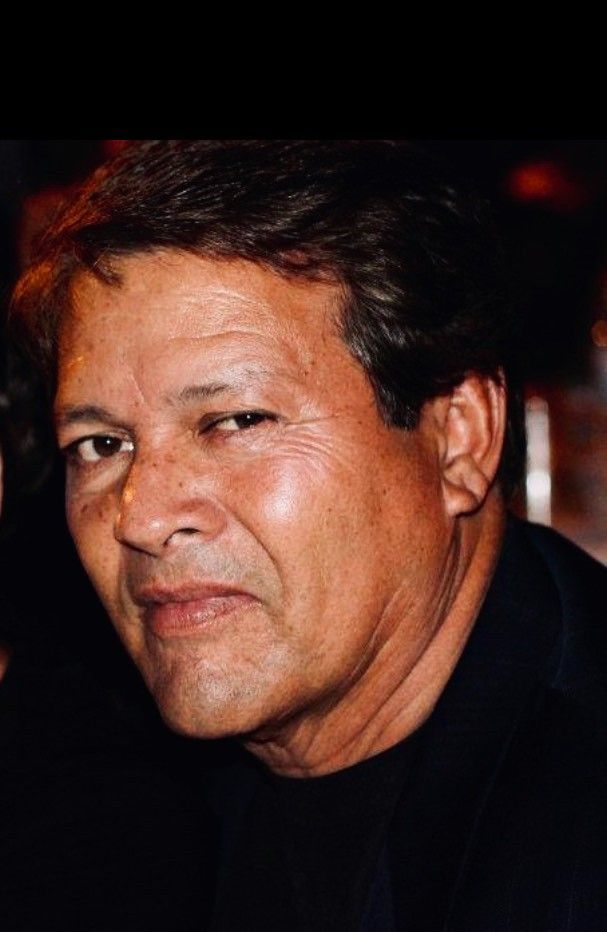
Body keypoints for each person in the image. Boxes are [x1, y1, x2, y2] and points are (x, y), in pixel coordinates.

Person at [10, 140, 607, 931]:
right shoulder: (95, 791)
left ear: (458, 438)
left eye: (236, 421)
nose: (141, 516)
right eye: (101, 444)